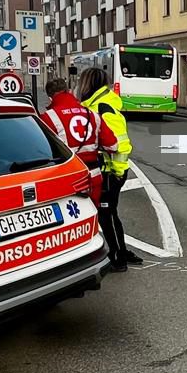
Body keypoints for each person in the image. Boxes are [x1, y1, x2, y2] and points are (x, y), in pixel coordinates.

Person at [79, 67, 141, 272]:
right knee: (109, 214)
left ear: (88, 83)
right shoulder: (95, 105)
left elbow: (120, 143)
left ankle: (118, 258)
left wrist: (117, 172)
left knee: (108, 214)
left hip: (109, 171)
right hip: (107, 170)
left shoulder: (102, 107)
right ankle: (120, 252)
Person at [39, 77, 102, 205]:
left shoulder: (48, 117)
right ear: (68, 91)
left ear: (50, 96)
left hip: (69, 178)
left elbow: (42, 151)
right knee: (94, 213)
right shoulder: (92, 114)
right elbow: (112, 145)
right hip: (94, 176)